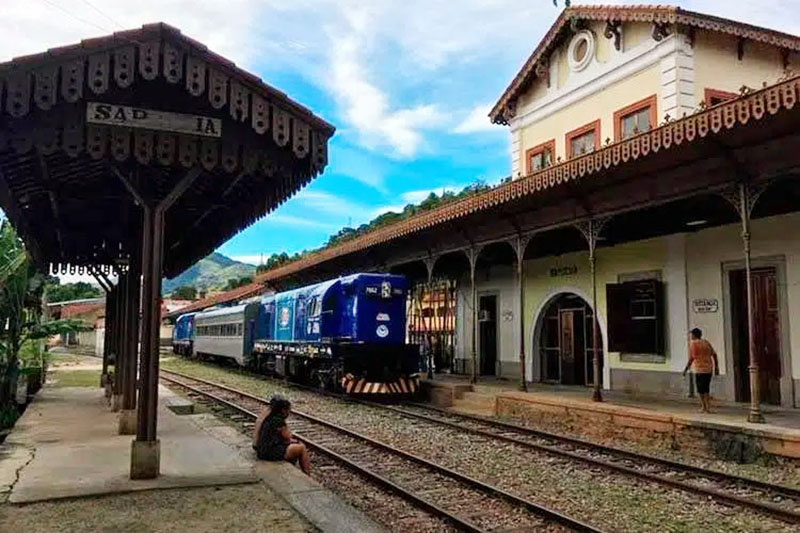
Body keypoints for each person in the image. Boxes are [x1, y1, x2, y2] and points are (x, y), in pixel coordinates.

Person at [252, 394, 310, 474]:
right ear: (283, 410)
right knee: (301, 448)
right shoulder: (278, 420)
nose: (289, 411)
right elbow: (288, 435)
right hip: (269, 452)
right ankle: (307, 474)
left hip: (262, 450)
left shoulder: (269, 416)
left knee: (293, 444)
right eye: (288, 409)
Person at [683, 328, 720, 413]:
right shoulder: (706, 342)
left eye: (692, 334)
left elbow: (691, 358)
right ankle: (708, 407)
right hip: (708, 369)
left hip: (699, 369)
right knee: (706, 388)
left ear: (695, 335)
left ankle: (703, 406)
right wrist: (716, 367)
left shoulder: (693, 344)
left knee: (700, 389)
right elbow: (714, 355)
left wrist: (686, 369)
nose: (691, 336)